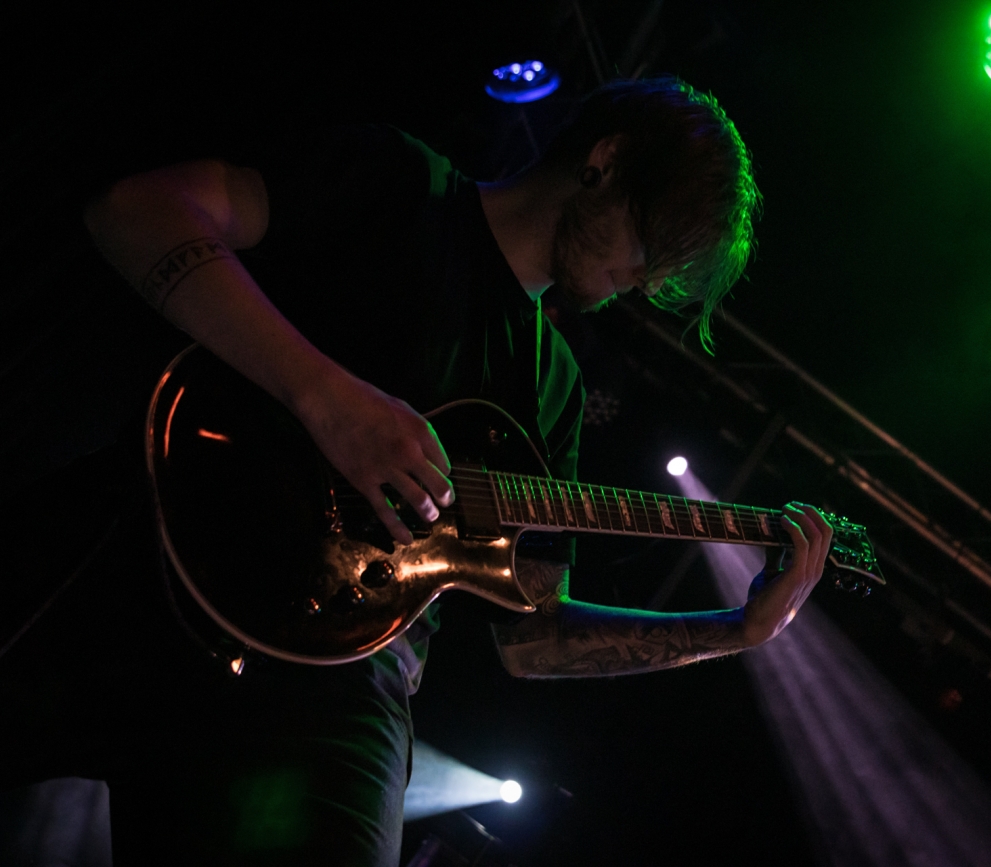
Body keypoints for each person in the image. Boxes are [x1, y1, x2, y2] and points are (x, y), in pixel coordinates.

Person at [0, 77, 833, 865]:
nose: (647, 280)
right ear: (606, 160)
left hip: (339, 687)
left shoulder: (554, 388)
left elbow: (533, 638)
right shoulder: (401, 184)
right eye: (654, 242)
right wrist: (324, 394)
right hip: (152, 549)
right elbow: (136, 211)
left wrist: (735, 631)